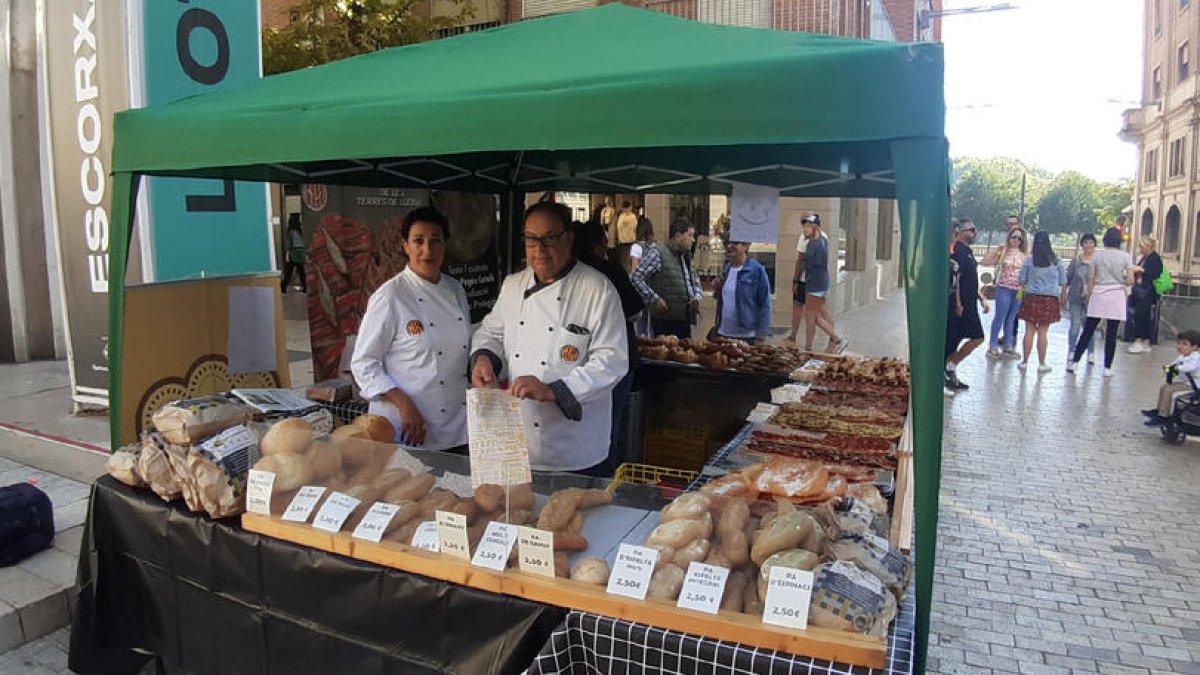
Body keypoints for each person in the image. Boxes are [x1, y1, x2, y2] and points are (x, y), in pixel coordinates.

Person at [470, 202, 628, 474]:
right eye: (531, 239)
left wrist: (554, 389)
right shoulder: (513, 285)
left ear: (569, 238)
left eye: (549, 238)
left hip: (575, 448)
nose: (539, 249)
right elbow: (491, 333)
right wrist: (485, 359)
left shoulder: (597, 289)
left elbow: (612, 362)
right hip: (518, 443)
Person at [351, 207, 470, 451]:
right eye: (418, 241)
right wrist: (403, 403)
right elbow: (363, 363)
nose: (427, 250)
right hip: (406, 427)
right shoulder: (390, 296)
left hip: (457, 426)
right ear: (405, 245)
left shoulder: (456, 289)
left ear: (445, 245)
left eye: (436, 241)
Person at [571, 219, 645, 474]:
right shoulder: (609, 271)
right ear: (594, 246)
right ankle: (601, 482)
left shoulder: (566, 275)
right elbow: (635, 311)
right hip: (613, 361)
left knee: (582, 427)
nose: (606, 247)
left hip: (574, 365)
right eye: (603, 242)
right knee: (607, 428)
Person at [1068, 227, 1136, 377]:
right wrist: (1122, 281)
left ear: (1105, 240)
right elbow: (1131, 279)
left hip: (1099, 294)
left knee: (1088, 331)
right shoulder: (1125, 257)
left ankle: (1075, 362)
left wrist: (1089, 296)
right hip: (1116, 296)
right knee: (1111, 334)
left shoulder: (1097, 257)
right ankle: (1107, 368)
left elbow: (1091, 278)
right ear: (1119, 241)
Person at [631, 219, 703, 339]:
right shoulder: (658, 253)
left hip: (684, 318)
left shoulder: (686, 256)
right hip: (665, 319)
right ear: (678, 235)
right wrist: (655, 299)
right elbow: (636, 277)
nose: (693, 240)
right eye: (690, 235)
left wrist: (697, 296)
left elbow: (695, 281)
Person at [945, 218, 989, 392]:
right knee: (975, 336)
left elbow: (971, 280)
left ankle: (950, 368)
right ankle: (949, 366)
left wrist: (981, 298)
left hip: (969, 302)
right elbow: (957, 280)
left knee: (956, 339)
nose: (973, 233)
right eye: (970, 230)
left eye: (974, 230)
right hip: (962, 304)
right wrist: (958, 303)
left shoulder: (967, 252)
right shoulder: (959, 252)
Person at [1016, 231, 1067, 373]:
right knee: (1043, 332)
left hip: (1031, 297)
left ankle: (1024, 362)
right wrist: (1063, 297)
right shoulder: (1056, 261)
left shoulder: (1029, 260)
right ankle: (1042, 363)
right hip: (1049, 299)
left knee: (1029, 330)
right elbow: (1063, 281)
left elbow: (1021, 280)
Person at [798, 213, 845, 353]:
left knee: (811, 317)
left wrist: (804, 265)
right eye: (804, 226)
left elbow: (813, 264)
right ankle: (833, 338)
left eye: (808, 226)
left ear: (815, 227)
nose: (805, 230)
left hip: (814, 285)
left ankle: (811, 346)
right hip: (821, 284)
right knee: (818, 314)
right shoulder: (822, 241)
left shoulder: (814, 244)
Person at [711, 240, 772, 343]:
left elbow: (765, 303)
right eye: (727, 243)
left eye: (734, 243)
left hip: (746, 336)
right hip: (724, 334)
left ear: (746, 246)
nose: (729, 246)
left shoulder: (757, 270)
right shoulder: (727, 269)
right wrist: (717, 290)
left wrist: (761, 334)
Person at [983, 227, 1027, 358]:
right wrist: (997, 250)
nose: (1016, 240)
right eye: (1014, 237)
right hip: (1004, 287)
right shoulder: (1003, 252)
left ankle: (1008, 345)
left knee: (1012, 317)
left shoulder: (1024, 255)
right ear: (1009, 238)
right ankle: (993, 345)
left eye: (1019, 238)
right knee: (1000, 316)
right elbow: (986, 261)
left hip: (1018, 289)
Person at [1141, 329, 1200, 426]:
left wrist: (1177, 368)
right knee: (1164, 387)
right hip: (1187, 384)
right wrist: (1169, 369)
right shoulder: (1183, 356)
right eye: (1179, 343)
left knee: (1169, 390)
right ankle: (1159, 410)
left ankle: (1163, 416)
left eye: (1184, 344)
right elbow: (1173, 365)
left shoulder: (1196, 357)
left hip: (1195, 386)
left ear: (1194, 346)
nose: (1180, 346)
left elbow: (1190, 367)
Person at [1063, 233, 1099, 365]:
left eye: (1091, 243)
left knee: (1089, 327)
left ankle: (1091, 352)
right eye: (1086, 243)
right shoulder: (1076, 261)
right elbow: (1068, 278)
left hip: (1092, 298)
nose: (1088, 245)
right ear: (1082, 245)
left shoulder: (1098, 261)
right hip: (1075, 296)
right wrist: (1064, 293)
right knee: (1075, 325)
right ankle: (1071, 350)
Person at [1128, 235, 1164, 354]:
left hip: (1147, 292)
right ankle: (1143, 339)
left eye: (1142, 246)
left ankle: (1141, 339)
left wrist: (1141, 270)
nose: (1140, 249)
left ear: (1148, 247)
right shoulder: (1144, 258)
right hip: (1140, 291)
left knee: (1142, 315)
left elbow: (1155, 274)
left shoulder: (1155, 259)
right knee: (1142, 315)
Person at [629, 219, 656, 337]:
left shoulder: (636, 247)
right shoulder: (656, 246)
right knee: (653, 320)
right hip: (654, 286)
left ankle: (643, 339)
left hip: (641, 287)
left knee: (641, 320)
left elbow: (635, 269)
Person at [280, 214, 307, 293]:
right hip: (300, 253)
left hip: (294, 253)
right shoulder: (300, 230)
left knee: (289, 272)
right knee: (301, 272)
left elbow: (289, 244)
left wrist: (289, 252)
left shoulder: (290, 231)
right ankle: (305, 287)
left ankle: (283, 286)